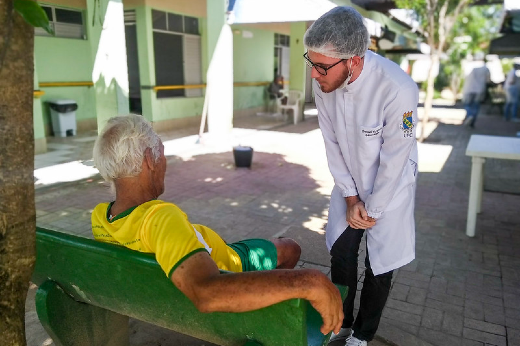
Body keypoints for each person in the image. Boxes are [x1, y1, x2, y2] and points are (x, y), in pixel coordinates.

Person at [91, 114, 343, 335]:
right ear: (149, 160)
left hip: (196, 262)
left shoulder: (101, 217)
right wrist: (309, 281)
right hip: (229, 264)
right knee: (290, 248)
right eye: (162, 154)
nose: (164, 163)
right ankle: (270, 316)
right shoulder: (160, 218)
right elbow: (205, 292)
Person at [303, 7, 418, 346]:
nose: (315, 74)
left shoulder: (399, 89)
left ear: (353, 60)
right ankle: (342, 321)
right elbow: (331, 143)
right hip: (349, 181)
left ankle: (363, 335)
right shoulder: (325, 83)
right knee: (341, 251)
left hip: (391, 188)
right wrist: (352, 198)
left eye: (322, 66)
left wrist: (374, 209)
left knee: (380, 265)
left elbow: (396, 156)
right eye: (312, 63)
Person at [462, 53, 491, 128]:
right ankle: (472, 120)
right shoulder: (485, 68)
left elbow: (465, 76)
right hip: (480, 89)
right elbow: (488, 80)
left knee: (467, 104)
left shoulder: (469, 65)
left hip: (468, 88)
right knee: (476, 105)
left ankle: (469, 115)